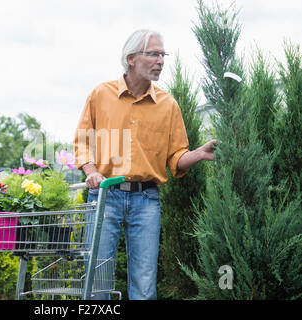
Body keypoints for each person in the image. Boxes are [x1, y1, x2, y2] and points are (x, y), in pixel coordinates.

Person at [73, 29, 218, 300]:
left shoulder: (168, 105)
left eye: (163, 54)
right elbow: (83, 141)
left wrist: (196, 154)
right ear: (131, 58)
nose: (160, 60)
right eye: (153, 54)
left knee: (145, 283)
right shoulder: (100, 95)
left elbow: (176, 158)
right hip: (105, 195)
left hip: (146, 200)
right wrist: (91, 171)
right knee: (98, 279)